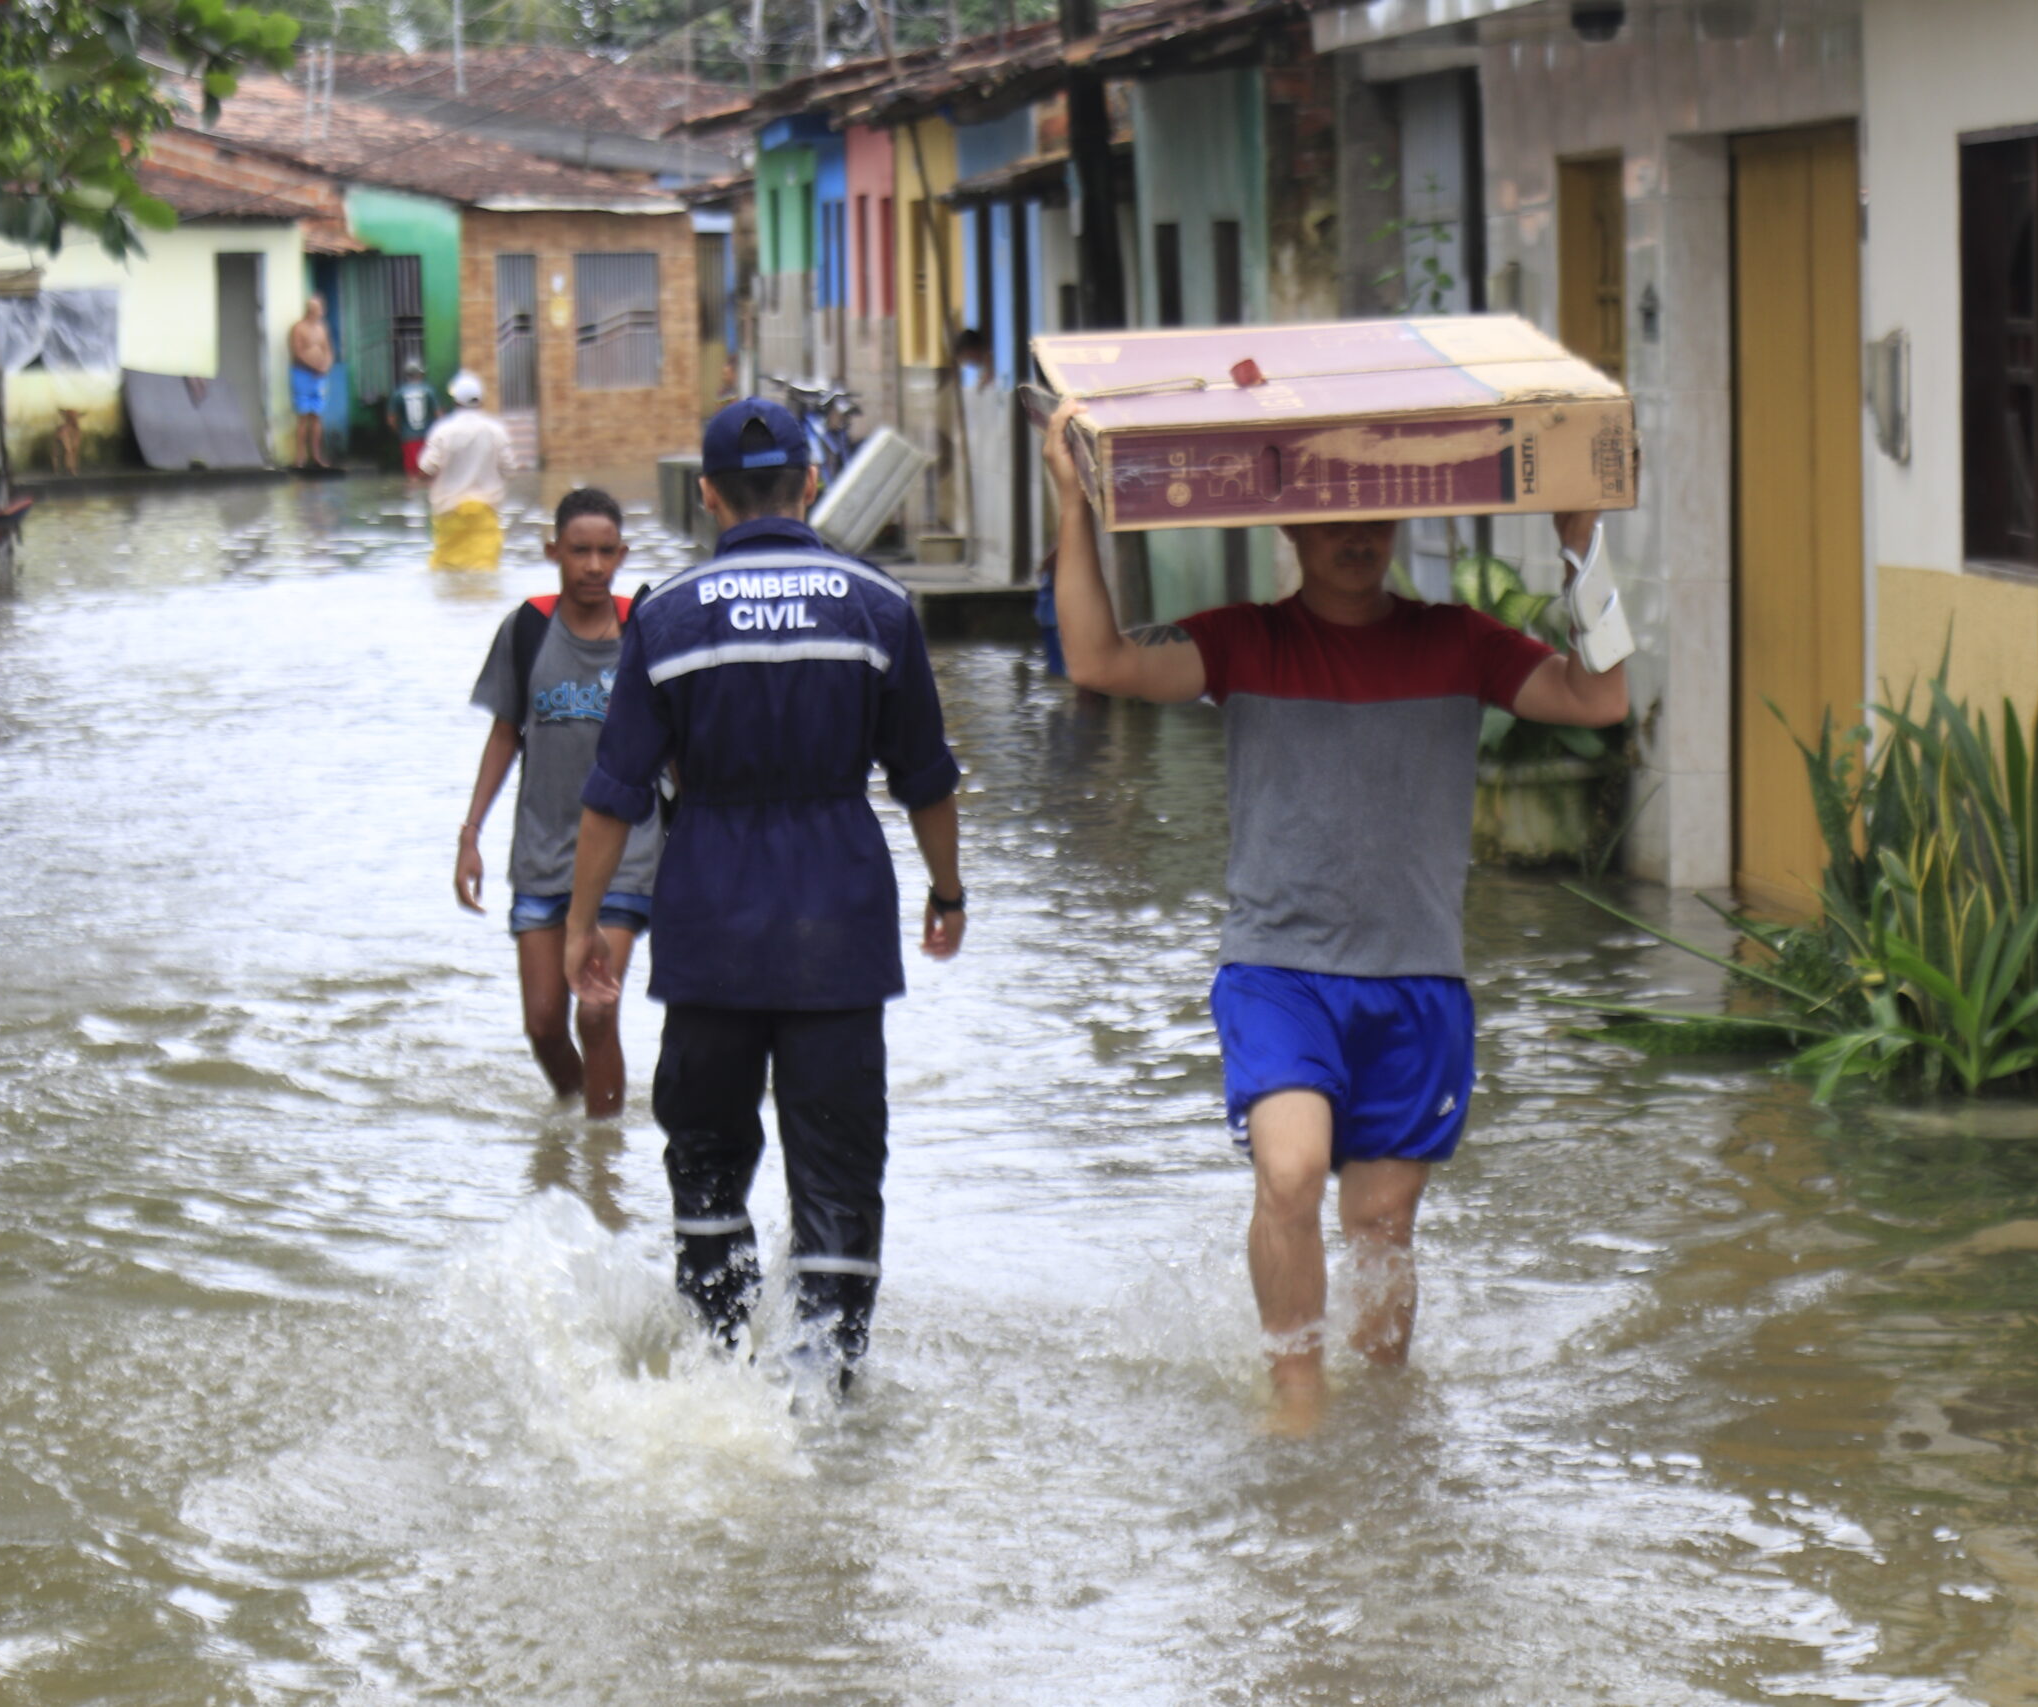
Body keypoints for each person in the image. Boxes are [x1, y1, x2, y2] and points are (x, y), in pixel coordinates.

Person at [1039, 399, 1631, 1434]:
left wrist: (1584, 543)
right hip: (1278, 971)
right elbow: (1097, 661)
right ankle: (1298, 1403)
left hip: (1417, 976)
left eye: (1373, 518)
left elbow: (1599, 698)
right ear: (1290, 527)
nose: (1356, 538)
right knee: (1292, 1170)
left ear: (1397, 525)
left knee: (1381, 1224)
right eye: (1331, 519)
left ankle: (1383, 1429)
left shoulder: (1459, 642)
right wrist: (1072, 508)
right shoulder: (1244, 641)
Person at [557, 397, 966, 1389]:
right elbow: (925, 779)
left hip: (709, 933)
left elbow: (614, 794)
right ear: (811, 483)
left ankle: (718, 1375)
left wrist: (582, 925)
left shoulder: (665, 616)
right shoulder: (877, 607)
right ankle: (825, 1396)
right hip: (839, 933)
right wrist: (947, 890)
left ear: (706, 494)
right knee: (837, 1171)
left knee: (705, 1162)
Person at [456, 487, 661, 1114]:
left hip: (626, 855)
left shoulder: (645, 632)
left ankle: (603, 1155)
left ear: (623, 554)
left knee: (595, 1014)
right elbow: (504, 734)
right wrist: (470, 834)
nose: (594, 566)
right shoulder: (526, 629)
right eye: (579, 551)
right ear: (553, 553)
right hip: (542, 855)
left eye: (606, 551)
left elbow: (680, 742)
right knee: (544, 1024)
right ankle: (581, 1117)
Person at [417, 370, 516, 571]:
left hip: (449, 513)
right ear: (481, 400)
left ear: (455, 401)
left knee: (447, 570)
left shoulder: (443, 431)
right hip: (485, 512)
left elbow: (427, 468)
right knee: (484, 570)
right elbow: (509, 469)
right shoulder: (495, 430)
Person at [288, 296, 334, 471]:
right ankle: (300, 456)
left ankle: (316, 455)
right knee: (303, 416)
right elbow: (297, 352)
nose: (320, 311)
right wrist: (314, 365)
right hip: (302, 374)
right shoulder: (299, 328)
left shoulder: (322, 328)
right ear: (310, 310)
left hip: (319, 376)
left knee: (317, 415)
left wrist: (325, 366)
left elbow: (328, 350)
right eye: (317, 308)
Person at [387, 359, 439, 479]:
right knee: (429, 473)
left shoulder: (398, 393)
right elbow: (438, 414)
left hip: (408, 439)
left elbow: (391, 420)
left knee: (412, 474)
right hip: (428, 438)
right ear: (420, 374)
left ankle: (413, 491)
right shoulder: (429, 391)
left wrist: (400, 432)